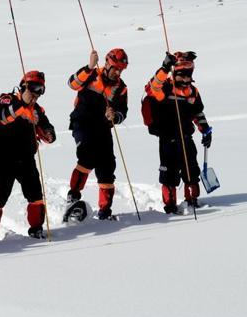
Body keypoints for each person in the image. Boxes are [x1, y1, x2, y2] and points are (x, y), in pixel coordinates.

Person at [0, 71, 55, 240]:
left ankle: (36, 228)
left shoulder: (37, 109)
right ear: (24, 86)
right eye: (35, 88)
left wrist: (48, 132)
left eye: (41, 90)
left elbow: (48, 128)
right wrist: (22, 105)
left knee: (36, 195)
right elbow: (2, 117)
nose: (37, 94)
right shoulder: (7, 99)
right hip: (5, 158)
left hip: (26, 158)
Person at [65, 49, 128, 221]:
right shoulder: (92, 75)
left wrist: (114, 116)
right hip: (82, 123)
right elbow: (72, 84)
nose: (117, 72)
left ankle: (105, 211)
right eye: (115, 68)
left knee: (107, 167)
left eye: (121, 70)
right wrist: (89, 66)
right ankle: (73, 198)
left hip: (103, 128)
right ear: (107, 63)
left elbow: (123, 112)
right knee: (87, 156)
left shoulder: (121, 88)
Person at [144, 52, 211, 213]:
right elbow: (153, 87)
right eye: (182, 76)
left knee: (191, 170)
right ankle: (170, 205)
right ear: (175, 74)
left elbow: (198, 113)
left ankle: (192, 199)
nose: (186, 80)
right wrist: (165, 67)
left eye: (189, 76)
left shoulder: (192, 91)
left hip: (186, 137)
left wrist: (205, 130)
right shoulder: (166, 88)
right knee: (169, 173)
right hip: (167, 138)